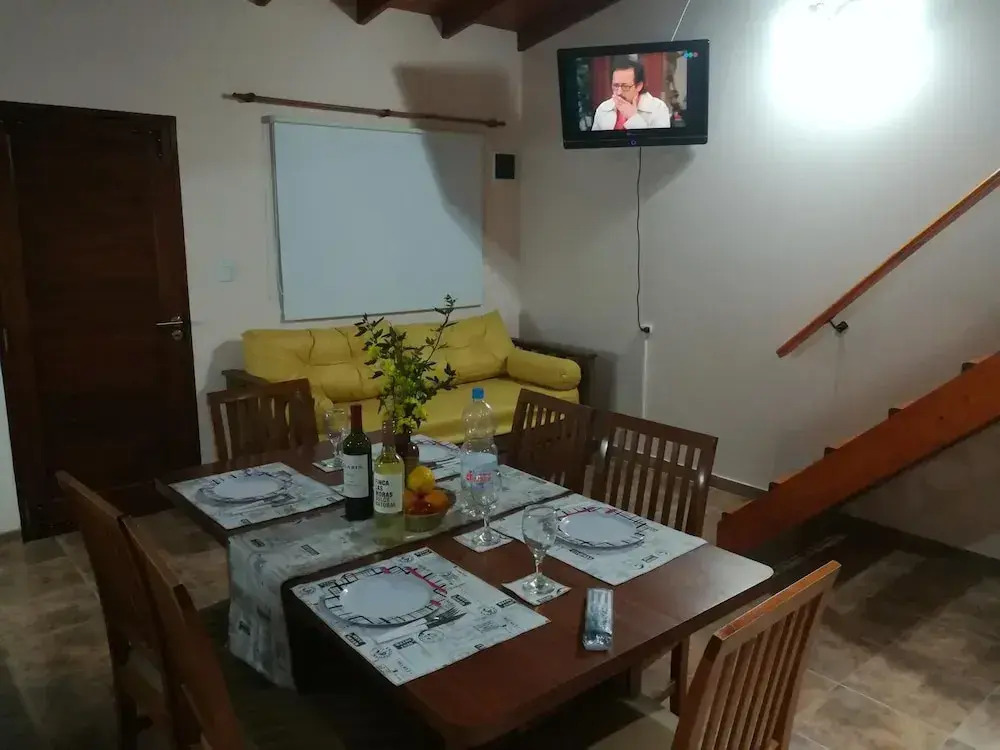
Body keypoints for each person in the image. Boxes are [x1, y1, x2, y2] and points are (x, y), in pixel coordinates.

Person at [591, 57, 672, 131]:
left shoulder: (658, 108)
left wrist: (633, 117)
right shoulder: (603, 109)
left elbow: (658, 142)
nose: (619, 92)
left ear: (639, 86)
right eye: (615, 85)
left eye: (625, 86)